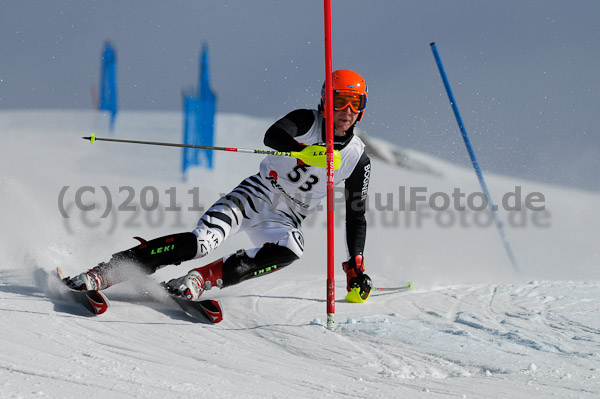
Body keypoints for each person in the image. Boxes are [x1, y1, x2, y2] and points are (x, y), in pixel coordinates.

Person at [64, 69, 373, 303]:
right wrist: (302, 150)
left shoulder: (357, 158)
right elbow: (273, 135)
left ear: (362, 108)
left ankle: (201, 280)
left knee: (293, 247)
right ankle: (105, 272)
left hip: (286, 218)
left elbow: (356, 214)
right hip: (255, 196)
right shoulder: (307, 120)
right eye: (339, 100)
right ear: (325, 99)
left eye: (354, 103)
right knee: (201, 242)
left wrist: (355, 263)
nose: (346, 110)